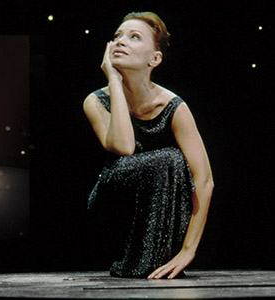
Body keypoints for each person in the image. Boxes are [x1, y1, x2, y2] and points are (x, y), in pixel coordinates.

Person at [83, 12, 214, 279]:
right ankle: (134, 263)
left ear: (154, 59)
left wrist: (189, 250)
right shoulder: (95, 101)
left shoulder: (174, 106)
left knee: (173, 161)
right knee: (166, 159)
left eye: (134, 37)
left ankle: (157, 260)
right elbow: (123, 146)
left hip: (161, 216)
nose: (121, 42)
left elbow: (205, 181)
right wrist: (114, 81)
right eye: (117, 36)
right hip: (113, 206)